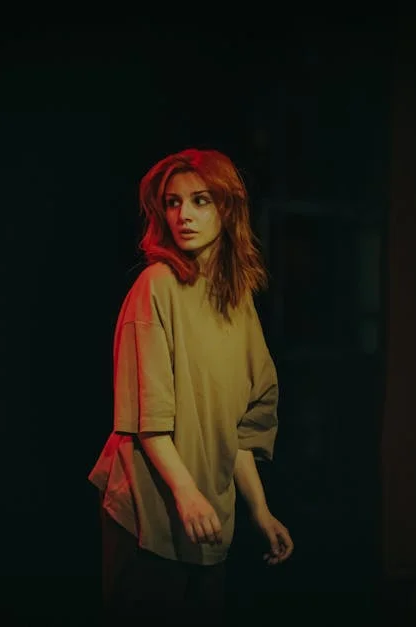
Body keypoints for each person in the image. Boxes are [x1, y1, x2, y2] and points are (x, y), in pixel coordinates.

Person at [88, 148, 293, 622]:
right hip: (149, 508)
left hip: (208, 513)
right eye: (173, 202)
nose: (183, 215)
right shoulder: (156, 285)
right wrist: (185, 492)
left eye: (200, 200)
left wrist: (260, 511)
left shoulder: (236, 299)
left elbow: (237, 429)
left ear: (228, 207)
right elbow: (148, 417)